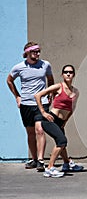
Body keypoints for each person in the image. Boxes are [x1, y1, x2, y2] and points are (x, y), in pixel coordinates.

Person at [6, 42, 54, 171]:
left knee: (40, 129)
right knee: (31, 132)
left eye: (39, 51)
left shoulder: (45, 65)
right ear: (27, 52)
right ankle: (33, 159)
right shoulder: (19, 67)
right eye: (35, 51)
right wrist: (17, 96)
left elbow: (50, 79)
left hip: (41, 103)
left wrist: (50, 93)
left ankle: (40, 160)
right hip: (26, 104)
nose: (37, 53)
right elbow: (9, 80)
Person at [34, 65, 83, 178]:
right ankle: (50, 168)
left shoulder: (76, 92)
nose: (68, 74)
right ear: (62, 74)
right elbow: (38, 95)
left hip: (61, 122)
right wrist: (43, 112)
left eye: (70, 72)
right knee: (61, 141)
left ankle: (66, 164)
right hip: (50, 119)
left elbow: (71, 108)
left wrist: (65, 121)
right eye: (65, 72)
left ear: (74, 74)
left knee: (62, 144)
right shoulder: (58, 87)